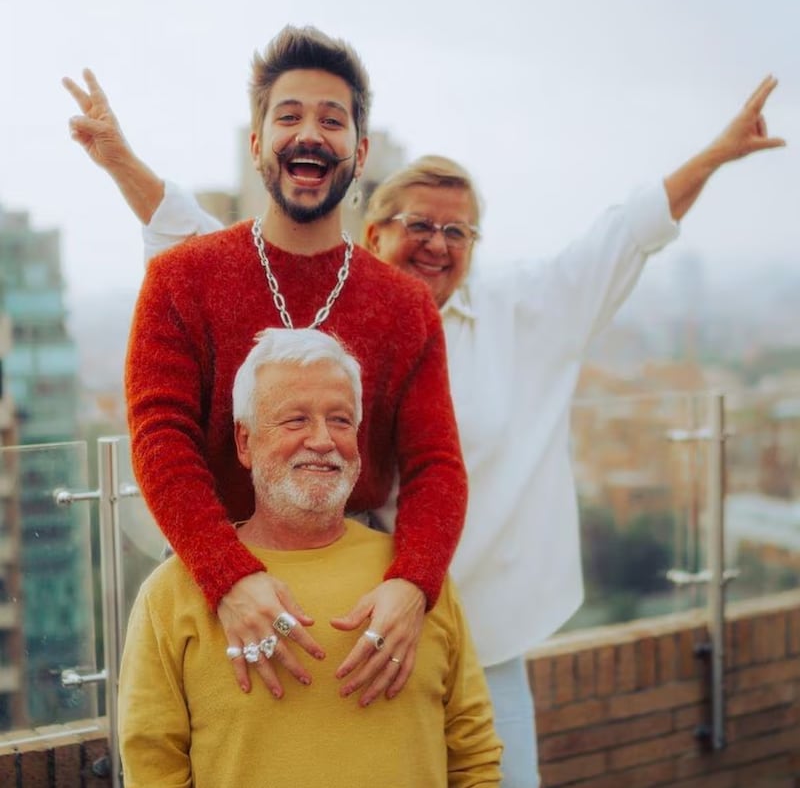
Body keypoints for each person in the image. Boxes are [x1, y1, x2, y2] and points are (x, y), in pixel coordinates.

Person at [68, 68, 786, 788]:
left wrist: (717, 153)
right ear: (372, 229)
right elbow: (189, 237)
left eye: (457, 230)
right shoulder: (316, 308)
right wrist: (119, 158)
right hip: (305, 600)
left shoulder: (517, 313)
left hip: (467, 624)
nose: (438, 243)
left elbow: (623, 236)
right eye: (418, 225)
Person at [63, 25, 468, 711]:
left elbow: (436, 464)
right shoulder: (181, 279)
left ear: (359, 152)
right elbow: (161, 437)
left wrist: (412, 584)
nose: (309, 133)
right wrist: (228, 576)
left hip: (361, 593)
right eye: (288, 116)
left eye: (331, 120)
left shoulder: (405, 306)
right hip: (208, 579)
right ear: (257, 144)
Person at [118, 328, 502, 788]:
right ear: (244, 442)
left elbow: (473, 753)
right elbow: (152, 765)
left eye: (340, 420)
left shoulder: (415, 584)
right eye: (295, 420)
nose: (322, 440)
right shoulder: (172, 595)